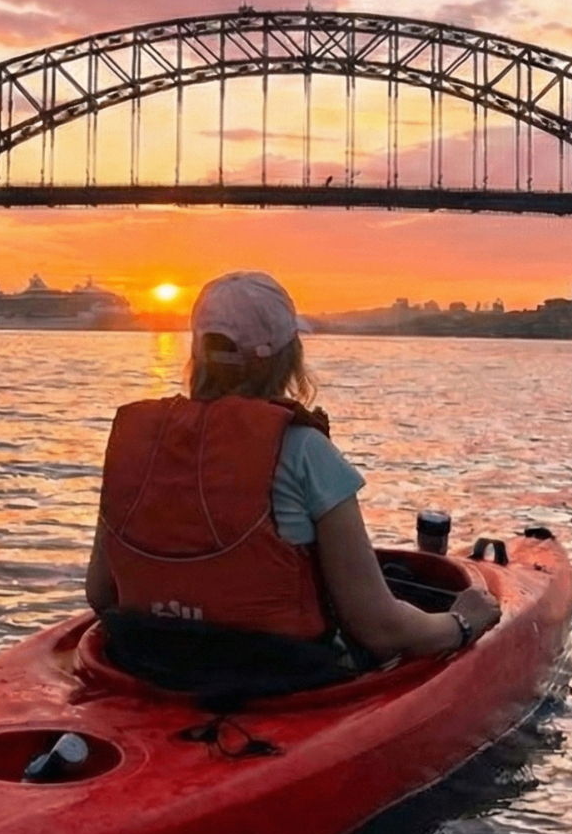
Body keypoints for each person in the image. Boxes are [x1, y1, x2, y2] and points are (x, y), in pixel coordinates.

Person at [85, 271, 501, 674]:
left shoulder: (139, 444)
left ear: (196, 352)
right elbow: (378, 629)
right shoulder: (305, 450)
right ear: (288, 357)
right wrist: (461, 623)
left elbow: (102, 594)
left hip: (146, 663)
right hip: (278, 677)